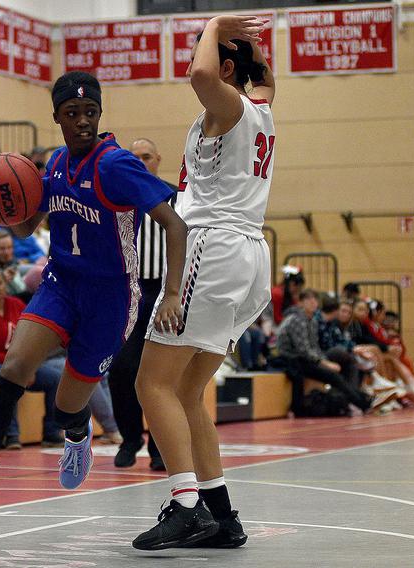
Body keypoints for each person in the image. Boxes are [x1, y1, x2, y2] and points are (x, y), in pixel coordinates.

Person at [0, 71, 187, 550]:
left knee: (68, 404)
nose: (82, 122)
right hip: (60, 283)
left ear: (99, 115)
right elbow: (27, 226)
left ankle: (78, 435)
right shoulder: (52, 165)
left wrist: (173, 293)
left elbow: (174, 226)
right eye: (72, 115)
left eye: (89, 113)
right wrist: (1, 200)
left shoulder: (115, 165)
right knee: (12, 369)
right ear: (56, 118)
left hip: (111, 298)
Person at [132, 17, 273, 551]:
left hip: (212, 251)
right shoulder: (262, 104)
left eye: (209, 53)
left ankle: (184, 506)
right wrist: (250, 42)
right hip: (247, 257)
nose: (198, 61)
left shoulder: (232, 108)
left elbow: (199, 76)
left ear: (227, 67)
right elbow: (263, 76)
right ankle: (221, 515)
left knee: (151, 382)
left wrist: (217, 23)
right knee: (188, 391)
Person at [107, 137, 173, 471]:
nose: (141, 161)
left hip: (163, 292)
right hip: (126, 291)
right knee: (120, 368)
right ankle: (131, 437)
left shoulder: (175, 196)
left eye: (147, 156)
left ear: (158, 159)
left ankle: (161, 446)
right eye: (134, 157)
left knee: (160, 373)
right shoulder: (114, 195)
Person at [0, 270, 63, 448]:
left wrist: (28, 367)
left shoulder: (17, 305)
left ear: (5, 286)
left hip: (21, 363)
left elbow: (32, 336)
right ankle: (11, 435)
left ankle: (51, 432)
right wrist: (19, 367)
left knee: (55, 378)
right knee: (9, 378)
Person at [277, 290, 387, 414]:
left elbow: (314, 347)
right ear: (301, 303)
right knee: (333, 375)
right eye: (309, 300)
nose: (313, 303)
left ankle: (362, 400)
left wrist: (323, 359)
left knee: (338, 373)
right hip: (291, 359)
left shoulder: (312, 320)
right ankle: (364, 402)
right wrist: (325, 363)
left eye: (315, 300)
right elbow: (303, 350)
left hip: (305, 359)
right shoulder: (297, 319)